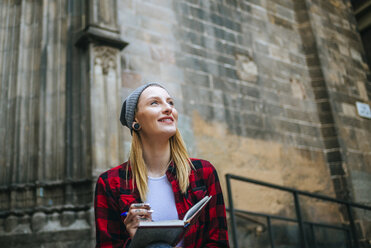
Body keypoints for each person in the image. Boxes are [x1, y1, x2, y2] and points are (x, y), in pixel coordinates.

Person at [94, 82, 229, 248]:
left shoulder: (203, 172)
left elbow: (219, 242)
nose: (168, 108)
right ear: (135, 120)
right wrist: (135, 242)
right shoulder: (110, 182)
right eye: (154, 103)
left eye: (170, 102)